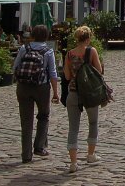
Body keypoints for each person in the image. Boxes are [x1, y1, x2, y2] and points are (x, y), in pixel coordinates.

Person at [12, 23, 59, 164]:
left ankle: (26, 155)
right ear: (46, 36)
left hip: (23, 87)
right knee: (43, 116)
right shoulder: (48, 51)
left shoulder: (23, 48)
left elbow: (15, 67)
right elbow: (53, 73)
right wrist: (56, 93)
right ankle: (39, 147)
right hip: (41, 87)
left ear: (32, 35)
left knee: (26, 122)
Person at [63, 25, 102, 174]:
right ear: (88, 38)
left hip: (73, 93)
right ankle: (91, 154)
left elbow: (66, 76)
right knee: (93, 122)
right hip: (89, 94)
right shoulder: (91, 51)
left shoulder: (69, 54)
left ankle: (73, 163)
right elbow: (99, 71)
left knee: (73, 128)